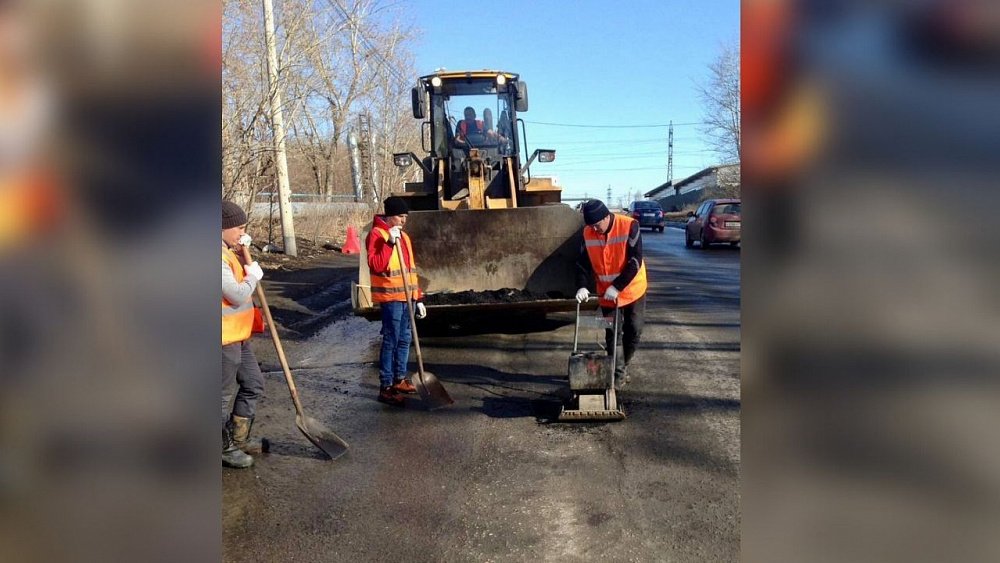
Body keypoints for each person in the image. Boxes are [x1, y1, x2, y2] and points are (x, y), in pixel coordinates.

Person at [575, 199, 647, 389]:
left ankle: (624, 363)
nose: (595, 229)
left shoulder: (630, 226)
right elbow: (582, 263)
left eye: (597, 225)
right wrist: (582, 286)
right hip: (605, 294)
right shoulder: (587, 232)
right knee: (612, 332)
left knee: (634, 329)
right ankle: (618, 374)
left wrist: (617, 286)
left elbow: (635, 261)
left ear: (607, 217)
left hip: (632, 289)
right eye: (591, 226)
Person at [365, 196, 427, 407]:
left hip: (407, 297)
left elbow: (411, 270)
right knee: (391, 340)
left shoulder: (404, 237)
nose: (404, 220)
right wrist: (389, 244)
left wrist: (417, 297)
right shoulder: (377, 234)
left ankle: (399, 379)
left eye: (405, 217)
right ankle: (386, 387)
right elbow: (376, 265)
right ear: (390, 216)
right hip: (390, 298)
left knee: (404, 339)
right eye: (400, 216)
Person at [221, 201, 266, 468]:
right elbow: (236, 294)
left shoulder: (229, 253)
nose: (242, 232)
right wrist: (253, 277)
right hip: (222, 338)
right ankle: (222, 447)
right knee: (220, 395)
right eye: (238, 227)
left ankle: (237, 439)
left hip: (239, 335)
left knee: (253, 383)